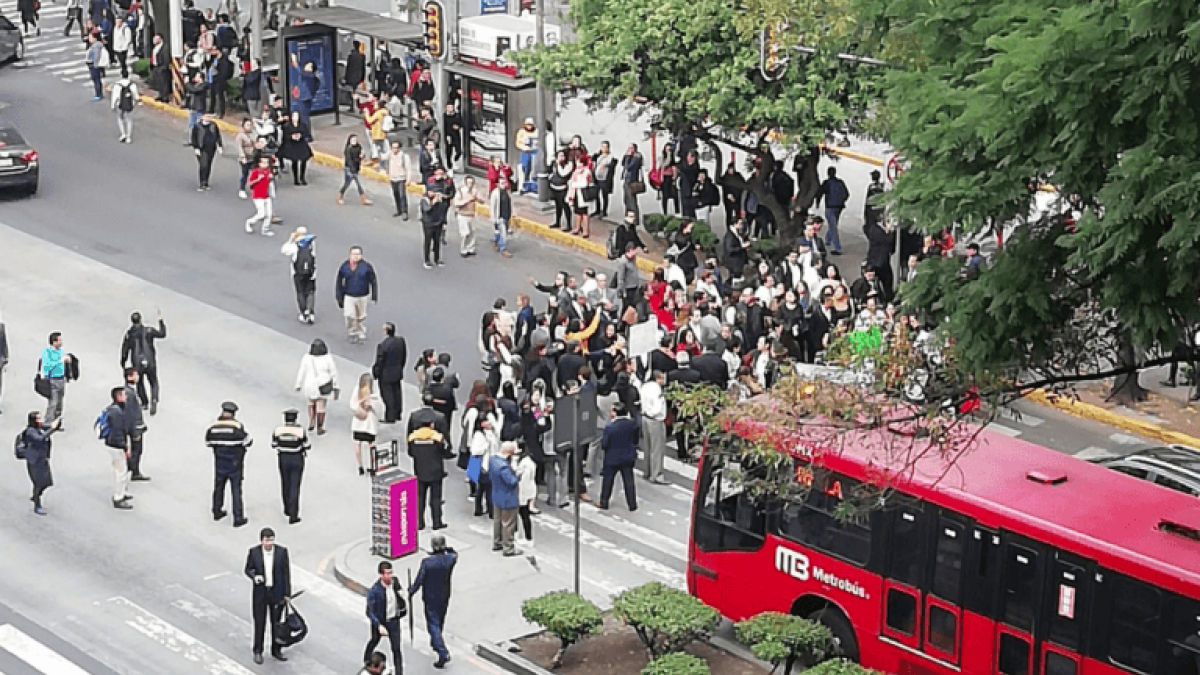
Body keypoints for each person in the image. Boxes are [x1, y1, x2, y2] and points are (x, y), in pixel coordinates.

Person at [409, 535, 457, 669]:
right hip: (444, 595)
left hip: (430, 597)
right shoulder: (449, 559)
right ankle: (436, 642)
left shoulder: (427, 562)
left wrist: (411, 591)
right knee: (440, 620)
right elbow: (454, 552)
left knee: (433, 624)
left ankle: (442, 651)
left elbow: (420, 579)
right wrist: (446, 548)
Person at [245, 528, 291, 664]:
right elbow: (248, 569)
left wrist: (287, 593)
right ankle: (258, 650)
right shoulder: (254, 552)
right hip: (261, 593)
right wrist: (254, 576)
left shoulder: (282, 552)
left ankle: (276, 650)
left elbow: (286, 573)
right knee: (259, 622)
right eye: (266, 540)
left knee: (276, 623)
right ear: (261, 541)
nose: (269, 543)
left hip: (276, 593)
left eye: (271, 540)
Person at [408, 392, 451, 530]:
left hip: (420, 467)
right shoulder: (440, 418)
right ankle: (437, 522)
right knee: (436, 497)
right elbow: (445, 441)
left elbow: (409, 442)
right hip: (436, 467)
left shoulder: (414, 417)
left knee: (419, 497)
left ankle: (419, 522)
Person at [206, 401, 251, 527]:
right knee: (236, 489)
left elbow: (208, 443)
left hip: (220, 462)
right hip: (235, 463)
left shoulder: (213, 427)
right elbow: (247, 441)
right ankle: (238, 517)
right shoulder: (237, 427)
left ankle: (216, 511)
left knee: (218, 487)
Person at [121, 311, 166, 413]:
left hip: (137, 363)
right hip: (150, 360)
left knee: (139, 382)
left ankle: (144, 402)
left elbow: (125, 350)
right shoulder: (148, 330)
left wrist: (123, 362)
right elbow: (162, 334)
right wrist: (161, 321)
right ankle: (154, 399)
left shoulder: (129, 334)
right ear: (140, 319)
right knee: (153, 381)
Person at [365, 561, 406, 673]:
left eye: (391, 573)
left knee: (396, 649)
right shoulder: (375, 591)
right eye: (387, 574)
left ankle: (399, 672)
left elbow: (400, 593)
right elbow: (369, 612)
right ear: (381, 575)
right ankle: (368, 661)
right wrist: (378, 626)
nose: (390, 576)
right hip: (381, 621)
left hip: (393, 620)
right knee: (374, 640)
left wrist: (402, 596)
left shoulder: (395, 581)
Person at [98, 387, 135, 510]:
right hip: (116, 446)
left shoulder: (112, 409)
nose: (126, 397)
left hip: (111, 443)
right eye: (124, 395)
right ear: (118, 397)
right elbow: (118, 433)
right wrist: (125, 447)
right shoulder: (117, 413)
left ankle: (122, 492)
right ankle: (118, 497)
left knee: (120, 470)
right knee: (120, 471)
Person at [271, 409, 309, 524]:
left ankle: (287, 508)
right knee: (295, 486)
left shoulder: (278, 431)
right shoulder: (300, 431)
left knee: (285, 483)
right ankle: (293, 515)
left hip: (283, 458)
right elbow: (307, 445)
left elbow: (274, 444)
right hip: (296, 458)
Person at [335, 246, 378, 344]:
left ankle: (361, 332)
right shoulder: (344, 267)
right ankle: (352, 331)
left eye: (358, 254)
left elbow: (373, 281)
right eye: (354, 254)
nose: (356, 256)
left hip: (363, 296)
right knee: (349, 315)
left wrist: (374, 295)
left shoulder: (366, 267)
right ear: (350, 255)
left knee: (361, 316)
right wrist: (339, 296)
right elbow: (339, 282)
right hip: (349, 296)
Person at [19, 412, 59, 515]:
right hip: (34, 461)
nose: (41, 421)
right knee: (38, 483)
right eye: (38, 419)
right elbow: (40, 439)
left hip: (42, 459)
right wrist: (52, 429)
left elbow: (48, 426)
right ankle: (37, 504)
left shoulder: (39, 427)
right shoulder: (30, 432)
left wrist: (55, 424)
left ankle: (36, 495)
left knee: (47, 482)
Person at [294, 338, 337, 434]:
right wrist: (336, 386)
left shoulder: (307, 358)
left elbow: (302, 371)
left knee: (310, 403)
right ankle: (320, 427)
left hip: (310, 384)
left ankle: (311, 421)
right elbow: (334, 373)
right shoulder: (328, 358)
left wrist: (298, 384)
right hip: (323, 384)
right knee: (321, 406)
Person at [489, 441, 522, 556]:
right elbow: (512, 481)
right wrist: (517, 472)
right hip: (508, 498)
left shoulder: (493, 460)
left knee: (497, 521)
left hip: (496, 495)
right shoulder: (504, 467)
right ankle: (508, 548)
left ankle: (497, 542)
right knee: (508, 524)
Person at [373, 322, 407, 424]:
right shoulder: (400, 341)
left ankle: (390, 416)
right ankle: (398, 413)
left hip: (386, 374)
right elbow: (404, 356)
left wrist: (376, 373)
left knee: (388, 396)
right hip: (397, 371)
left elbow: (380, 361)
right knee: (397, 393)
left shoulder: (383, 346)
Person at [281, 227, 317, 323]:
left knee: (300, 292)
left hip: (297, 273)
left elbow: (284, 251)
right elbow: (313, 256)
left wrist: (290, 240)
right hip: (310, 272)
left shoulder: (295, 245)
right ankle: (310, 311)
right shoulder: (311, 243)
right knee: (310, 291)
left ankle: (303, 312)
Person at [122, 368, 151, 482]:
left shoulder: (130, 391)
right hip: (135, 427)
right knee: (137, 450)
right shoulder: (129, 393)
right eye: (135, 375)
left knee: (137, 450)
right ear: (130, 377)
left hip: (137, 426)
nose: (138, 377)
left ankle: (135, 471)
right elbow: (130, 413)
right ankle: (128, 469)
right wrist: (135, 430)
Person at [350, 373, 383, 476]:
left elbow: (352, 404)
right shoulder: (374, 394)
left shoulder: (357, 390)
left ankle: (361, 466)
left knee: (357, 444)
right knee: (371, 445)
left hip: (358, 423)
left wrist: (359, 406)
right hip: (369, 424)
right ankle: (372, 466)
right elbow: (380, 410)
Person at [639, 371, 668, 484]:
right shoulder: (657, 390)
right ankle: (657, 475)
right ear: (658, 378)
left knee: (647, 446)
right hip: (655, 419)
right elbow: (657, 406)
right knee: (657, 448)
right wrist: (656, 414)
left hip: (645, 417)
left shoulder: (645, 386)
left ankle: (647, 471)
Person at [815, 166, 850, 255]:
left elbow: (820, 193)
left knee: (833, 227)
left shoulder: (827, 183)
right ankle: (827, 240)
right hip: (839, 207)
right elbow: (847, 194)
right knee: (833, 224)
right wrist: (841, 201)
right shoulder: (840, 182)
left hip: (830, 207)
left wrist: (817, 203)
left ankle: (838, 248)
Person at [40, 332, 72, 425]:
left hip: (62, 379)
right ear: (53, 342)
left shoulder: (61, 351)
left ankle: (57, 421)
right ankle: (48, 422)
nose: (61, 342)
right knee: (53, 402)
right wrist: (60, 361)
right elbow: (48, 366)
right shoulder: (47, 352)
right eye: (59, 340)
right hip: (52, 380)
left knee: (60, 402)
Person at [243, 155, 276, 236]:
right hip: (257, 196)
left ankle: (265, 229)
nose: (265, 164)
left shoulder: (268, 171)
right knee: (261, 214)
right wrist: (258, 179)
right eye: (263, 163)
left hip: (266, 195)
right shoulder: (255, 171)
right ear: (259, 163)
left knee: (269, 214)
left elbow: (270, 183)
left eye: (267, 163)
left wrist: (272, 192)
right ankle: (249, 222)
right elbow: (249, 183)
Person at [279, 110, 313, 186]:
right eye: (294, 116)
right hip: (293, 145)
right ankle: (296, 179)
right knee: (295, 161)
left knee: (304, 160)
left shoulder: (303, 125)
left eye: (296, 116)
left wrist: (300, 135)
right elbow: (285, 137)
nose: (295, 118)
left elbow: (306, 133)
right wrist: (291, 136)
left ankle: (302, 177)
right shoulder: (287, 126)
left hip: (301, 144)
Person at [191, 114, 223, 191]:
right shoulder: (197, 126)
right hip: (201, 149)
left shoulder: (213, 125)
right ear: (202, 117)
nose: (208, 118)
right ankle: (201, 182)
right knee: (203, 165)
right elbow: (194, 137)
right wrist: (196, 148)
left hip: (211, 148)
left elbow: (218, 136)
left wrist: (220, 146)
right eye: (206, 116)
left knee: (208, 165)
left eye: (209, 117)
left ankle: (206, 181)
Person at [420, 189, 450, 269]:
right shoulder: (424, 200)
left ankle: (437, 259)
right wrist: (434, 202)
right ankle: (427, 260)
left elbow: (444, 211)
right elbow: (427, 209)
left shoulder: (439, 200)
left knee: (437, 241)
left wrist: (442, 201)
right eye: (432, 191)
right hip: (428, 224)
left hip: (438, 223)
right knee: (428, 241)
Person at [454, 176, 481, 258]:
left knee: (472, 233)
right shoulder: (461, 191)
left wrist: (477, 198)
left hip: (471, 215)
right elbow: (456, 203)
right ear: (465, 183)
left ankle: (471, 249)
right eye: (468, 183)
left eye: (472, 183)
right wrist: (467, 200)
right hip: (462, 215)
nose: (470, 185)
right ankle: (463, 250)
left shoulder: (475, 191)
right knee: (465, 233)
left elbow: (482, 200)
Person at [387, 140, 414, 219]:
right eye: (393, 148)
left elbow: (408, 169)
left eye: (396, 148)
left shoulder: (404, 156)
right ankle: (398, 210)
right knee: (396, 194)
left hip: (401, 178)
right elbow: (383, 157)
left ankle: (404, 212)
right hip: (392, 178)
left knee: (402, 195)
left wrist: (408, 179)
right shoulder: (390, 155)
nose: (394, 149)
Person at [109, 73, 140, 143]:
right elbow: (136, 95)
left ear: (121, 75)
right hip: (129, 104)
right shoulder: (132, 84)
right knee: (129, 120)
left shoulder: (117, 85)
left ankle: (123, 134)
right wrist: (137, 102)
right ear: (128, 76)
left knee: (120, 118)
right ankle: (128, 137)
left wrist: (113, 105)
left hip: (120, 104)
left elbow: (114, 96)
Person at [489, 178, 514, 258]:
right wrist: (494, 219)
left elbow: (510, 203)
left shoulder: (506, 192)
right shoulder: (495, 193)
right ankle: (503, 249)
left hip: (506, 215)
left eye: (505, 183)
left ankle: (496, 241)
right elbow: (493, 208)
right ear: (498, 184)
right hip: (499, 217)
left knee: (502, 231)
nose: (504, 185)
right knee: (503, 233)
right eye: (502, 183)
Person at [85, 33, 106, 101]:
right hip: (92, 64)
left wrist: (95, 65)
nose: (89, 39)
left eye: (91, 37)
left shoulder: (97, 45)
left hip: (94, 64)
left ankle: (99, 94)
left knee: (96, 80)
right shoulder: (94, 45)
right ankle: (98, 93)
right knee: (96, 80)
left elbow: (96, 56)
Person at [443, 102, 463, 168]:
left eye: (451, 107)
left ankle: (455, 160)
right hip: (448, 135)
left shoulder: (457, 115)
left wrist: (458, 126)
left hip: (456, 134)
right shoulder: (444, 116)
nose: (450, 109)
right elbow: (444, 127)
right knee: (449, 151)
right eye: (448, 107)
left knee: (459, 151)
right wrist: (446, 135)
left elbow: (461, 123)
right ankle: (450, 165)